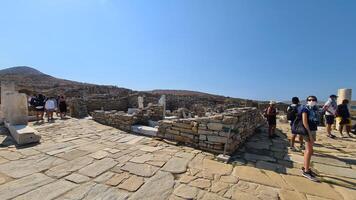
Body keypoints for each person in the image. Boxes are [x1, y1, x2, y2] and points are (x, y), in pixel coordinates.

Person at [301, 95, 320, 182]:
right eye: (310, 99)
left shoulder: (315, 109)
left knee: (308, 150)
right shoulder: (305, 109)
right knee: (309, 150)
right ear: (307, 101)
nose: (312, 101)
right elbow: (305, 122)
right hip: (308, 131)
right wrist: (310, 134)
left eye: (313, 99)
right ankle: (306, 171)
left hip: (313, 130)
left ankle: (305, 167)